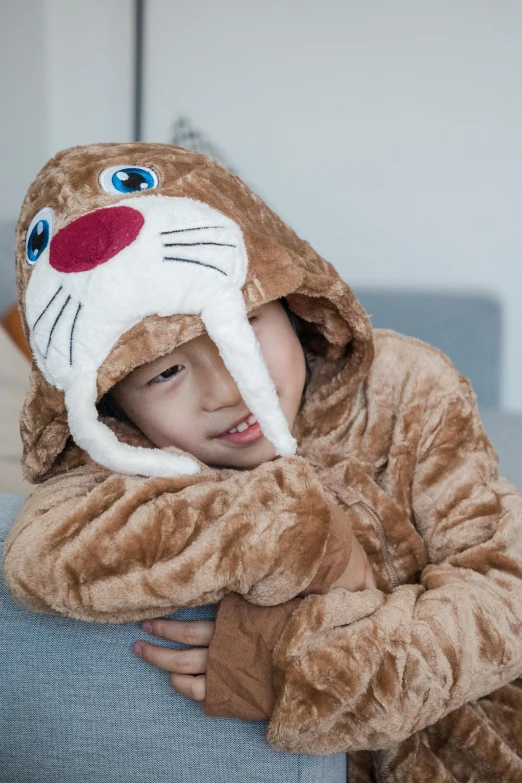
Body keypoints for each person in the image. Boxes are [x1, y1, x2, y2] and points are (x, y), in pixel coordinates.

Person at [3, 142, 522, 782]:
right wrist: (303, 533)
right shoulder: (133, 463)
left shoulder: (408, 386)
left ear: (291, 302)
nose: (229, 389)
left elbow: (506, 588)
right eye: (166, 372)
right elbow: (40, 554)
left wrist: (300, 668)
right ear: (115, 408)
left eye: (242, 327)